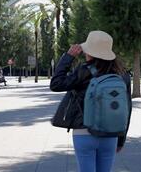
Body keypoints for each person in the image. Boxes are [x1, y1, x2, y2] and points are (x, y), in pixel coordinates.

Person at [50, 30, 132, 172]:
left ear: (90, 52)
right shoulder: (122, 75)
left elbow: (56, 84)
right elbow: (127, 109)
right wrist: (121, 139)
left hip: (84, 132)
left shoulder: (83, 71)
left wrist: (68, 57)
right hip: (111, 134)